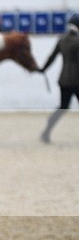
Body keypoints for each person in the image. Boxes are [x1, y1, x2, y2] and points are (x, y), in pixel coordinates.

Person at [39, 13, 79, 143]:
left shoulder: (61, 40)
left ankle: (46, 131)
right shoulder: (77, 42)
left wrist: (43, 69)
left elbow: (52, 57)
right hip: (76, 80)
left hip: (63, 80)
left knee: (63, 107)